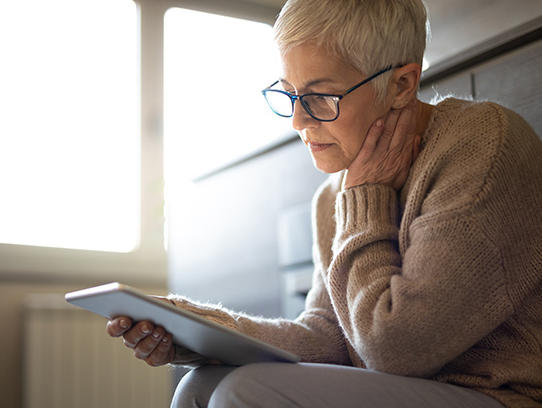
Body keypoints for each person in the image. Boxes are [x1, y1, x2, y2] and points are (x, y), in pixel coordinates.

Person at [106, 0, 542, 407]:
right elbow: (329, 336)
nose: (298, 121)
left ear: (402, 84)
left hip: (499, 394)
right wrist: (200, 332)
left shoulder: (481, 145)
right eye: (289, 94)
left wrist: (365, 199)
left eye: (319, 97)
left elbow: (396, 350)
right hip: (413, 387)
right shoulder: (336, 193)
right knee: (198, 386)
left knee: (244, 392)